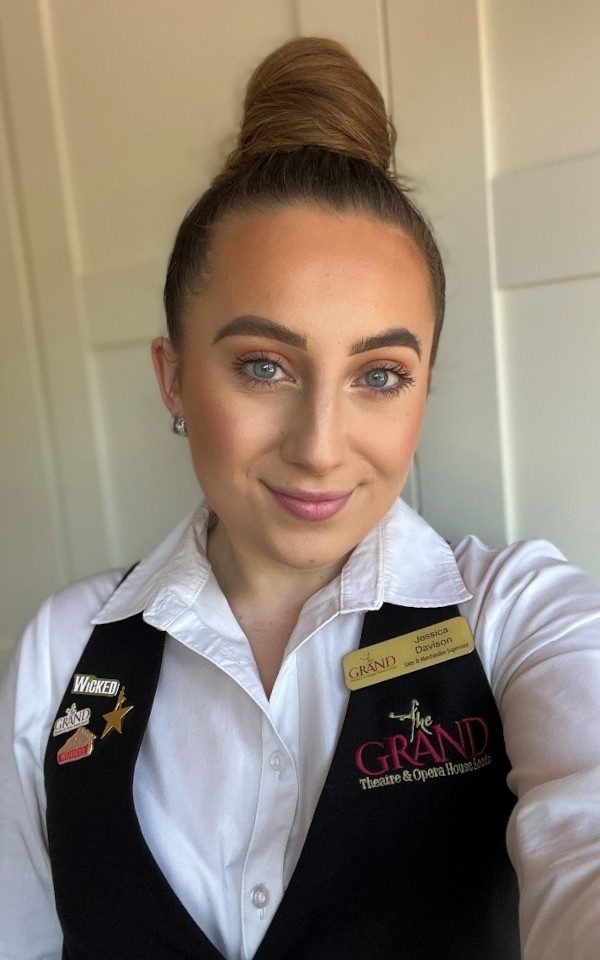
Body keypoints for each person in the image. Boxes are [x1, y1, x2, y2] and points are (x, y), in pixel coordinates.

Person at [1, 35, 599, 960]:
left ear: (425, 389)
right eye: (264, 366)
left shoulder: (519, 616)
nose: (320, 448)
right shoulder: (62, 653)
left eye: (381, 375)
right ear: (171, 378)